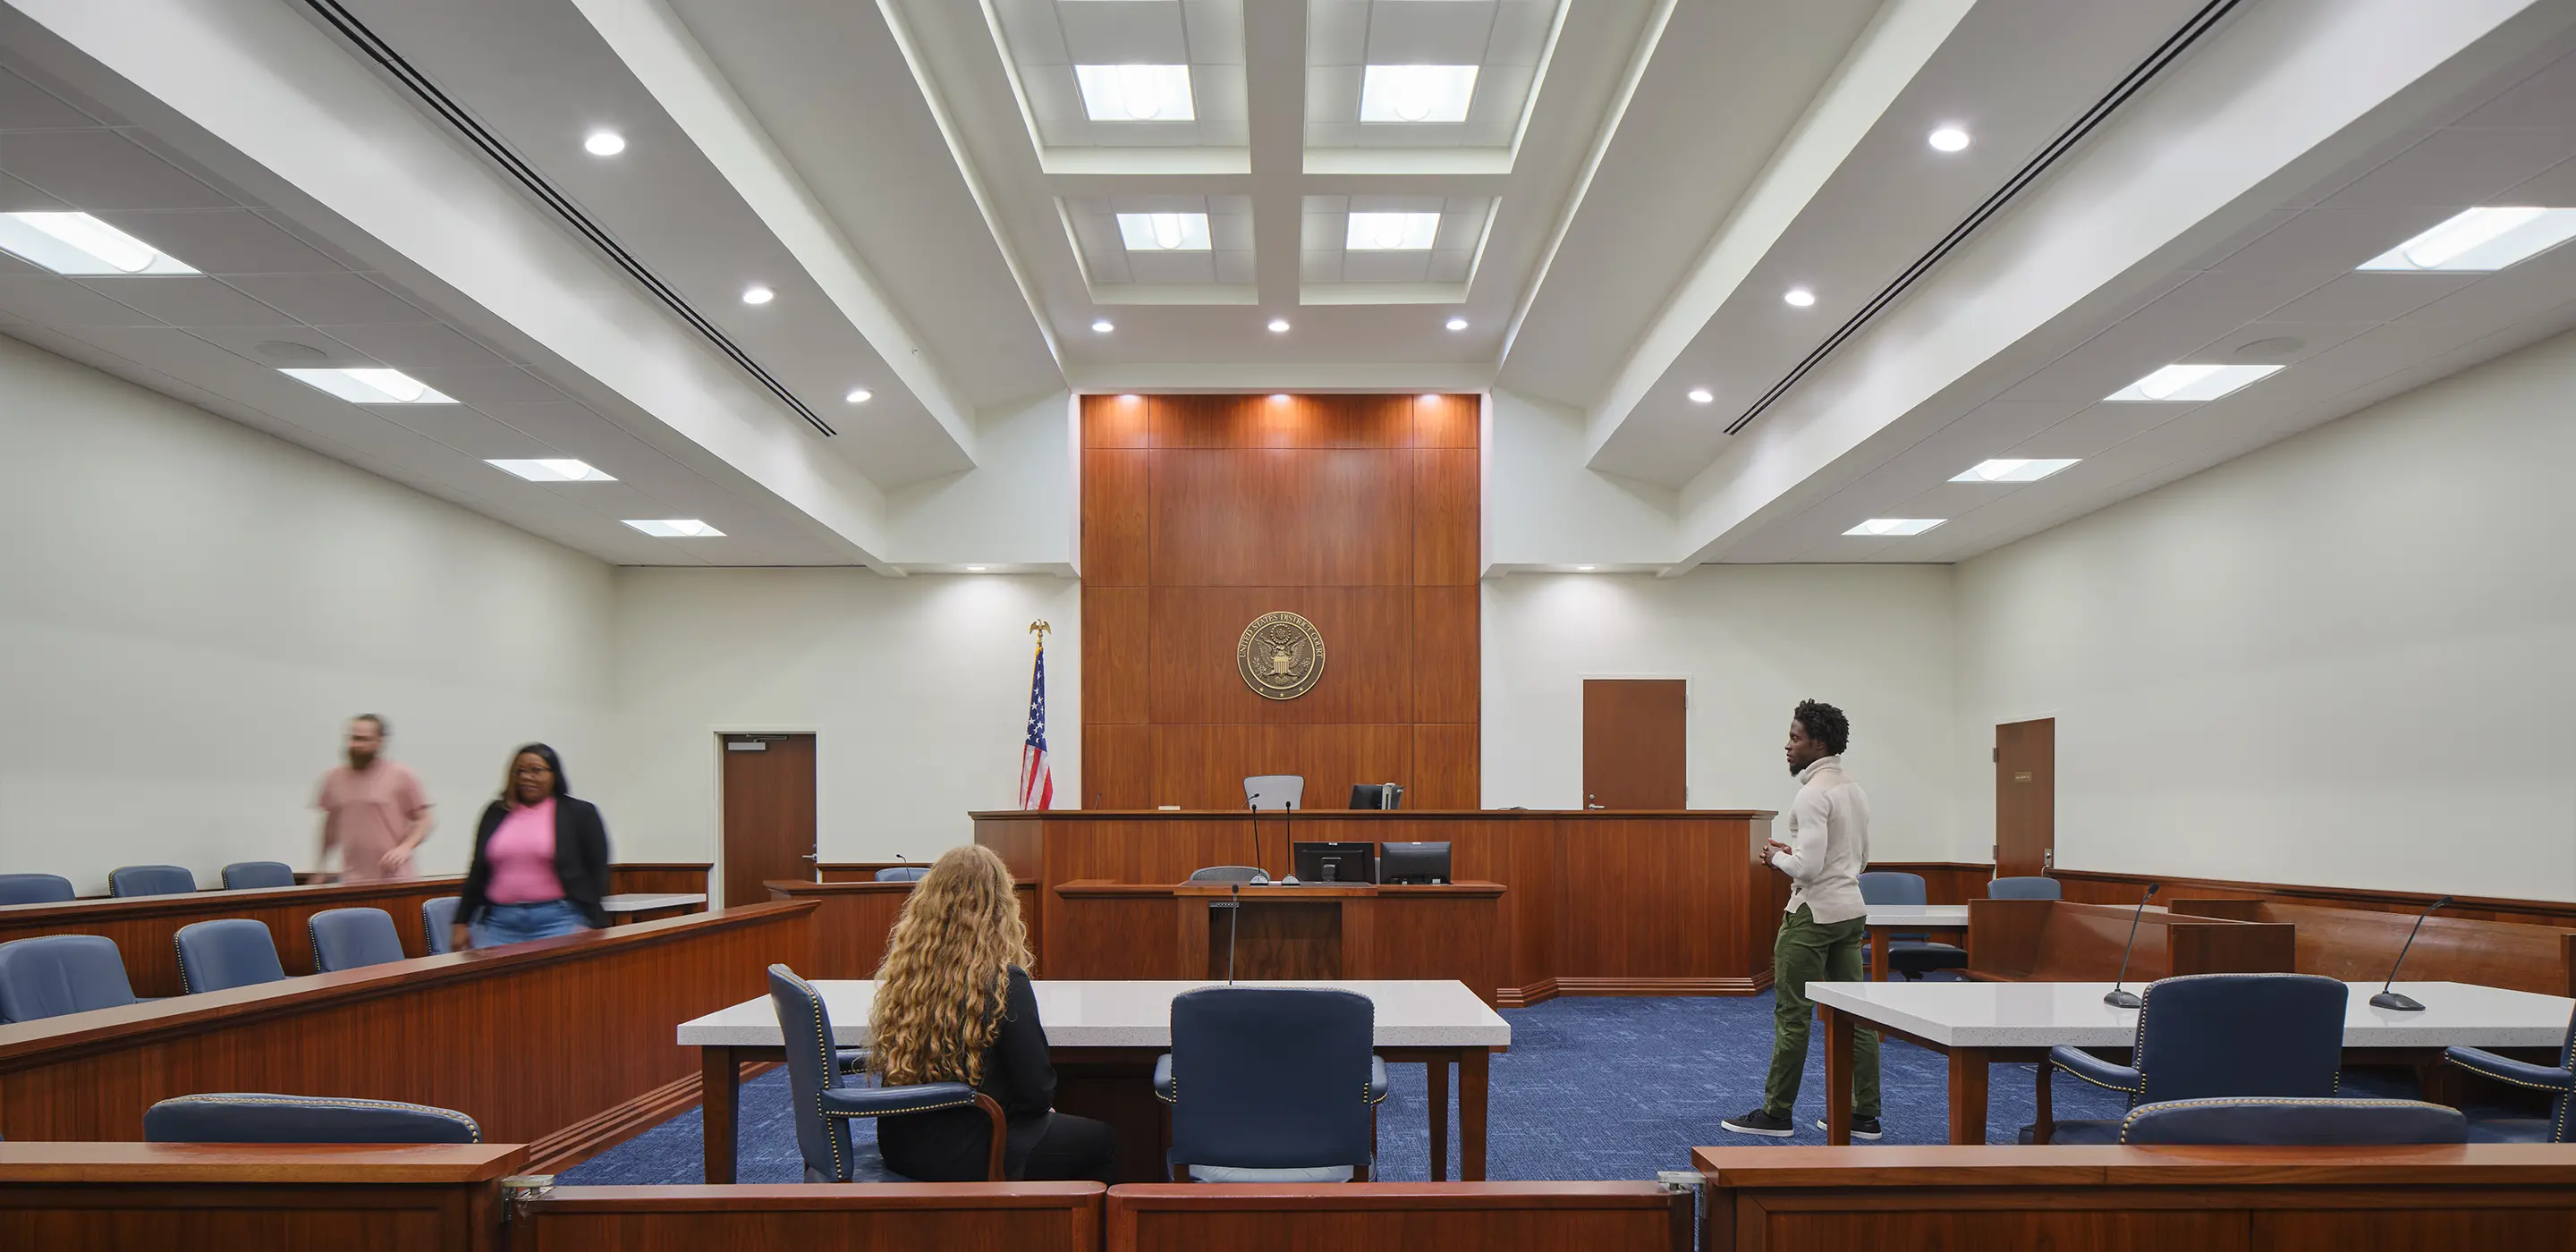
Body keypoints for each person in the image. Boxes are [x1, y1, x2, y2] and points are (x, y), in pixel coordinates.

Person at [869, 844, 1118, 1183]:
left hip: (903, 1147)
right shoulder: (1003, 982)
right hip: (978, 1147)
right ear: (1001, 908)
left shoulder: (907, 975)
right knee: (1104, 1140)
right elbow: (1036, 1094)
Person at [1724, 699, 1883, 1140]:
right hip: (1850, 910)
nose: (1787, 747)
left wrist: (1777, 857)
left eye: (1795, 738)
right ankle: (1864, 1116)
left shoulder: (1812, 793)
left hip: (1812, 916)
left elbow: (1809, 871)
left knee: (1793, 1016)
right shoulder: (1854, 788)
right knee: (1856, 1016)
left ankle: (1776, 1114)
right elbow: (1860, 860)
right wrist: (1795, 856)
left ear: (1819, 743)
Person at [451, 743, 610, 951]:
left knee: (557, 983)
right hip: (500, 924)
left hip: (559, 921)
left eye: (536, 770)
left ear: (554, 774)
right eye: (520, 771)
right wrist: (461, 921)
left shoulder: (579, 813)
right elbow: (478, 869)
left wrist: (591, 921)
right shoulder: (496, 812)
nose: (526, 777)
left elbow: (598, 869)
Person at [314, 715, 432, 883]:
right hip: (352, 878)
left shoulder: (402, 776)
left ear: (378, 742)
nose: (355, 745)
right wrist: (321, 867)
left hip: (394, 876)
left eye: (363, 739)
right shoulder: (334, 778)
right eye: (353, 738)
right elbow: (330, 826)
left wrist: (405, 848)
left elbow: (425, 821)